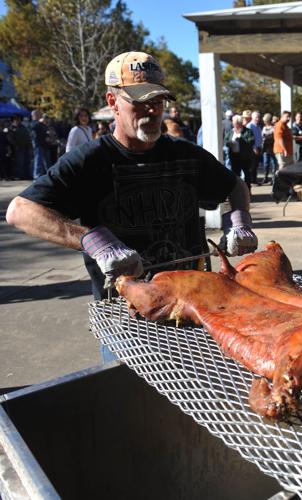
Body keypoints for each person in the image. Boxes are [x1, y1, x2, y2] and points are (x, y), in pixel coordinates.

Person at [5, 50, 258, 360]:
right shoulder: (90, 161)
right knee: (130, 404)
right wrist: (93, 242)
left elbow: (236, 186)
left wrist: (240, 220)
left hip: (193, 308)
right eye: (140, 101)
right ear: (113, 103)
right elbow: (20, 211)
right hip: (125, 320)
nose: (152, 111)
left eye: (159, 102)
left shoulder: (186, 155)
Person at [226, 114, 256, 190]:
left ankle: (247, 190)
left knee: (246, 174)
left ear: (239, 123)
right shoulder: (231, 131)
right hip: (233, 156)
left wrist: (241, 141)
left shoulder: (248, 131)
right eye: (233, 122)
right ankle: (237, 191)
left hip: (244, 157)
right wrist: (229, 143)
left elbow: (252, 141)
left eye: (234, 122)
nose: (233, 123)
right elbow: (226, 140)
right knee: (235, 175)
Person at [7, 115, 32, 180]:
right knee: (19, 163)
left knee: (27, 162)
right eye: (16, 119)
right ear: (13, 120)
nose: (18, 121)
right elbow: (10, 138)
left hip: (26, 147)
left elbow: (28, 136)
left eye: (19, 119)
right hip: (18, 148)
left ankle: (27, 175)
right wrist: (15, 145)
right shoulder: (11, 128)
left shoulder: (23, 127)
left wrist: (29, 144)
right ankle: (20, 176)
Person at [30, 109, 50, 179]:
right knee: (38, 161)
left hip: (44, 144)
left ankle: (49, 175)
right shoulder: (33, 123)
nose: (39, 116)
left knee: (47, 161)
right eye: (37, 115)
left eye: (39, 114)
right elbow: (34, 127)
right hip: (38, 145)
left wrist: (47, 136)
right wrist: (39, 122)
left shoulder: (42, 124)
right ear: (33, 116)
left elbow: (46, 131)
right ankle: (36, 177)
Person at [246, 111, 263, 184]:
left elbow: (260, 137)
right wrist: (254, 147)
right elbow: (249, 139)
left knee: (256, 165)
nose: (258, 118)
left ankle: (254, 179)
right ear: (252, 117)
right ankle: (251, 181)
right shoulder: (250, 126)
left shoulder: (258, 126)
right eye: (256, 117)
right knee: (252, 165)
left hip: (259, 147)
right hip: (253, 148)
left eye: (259, 117)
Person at [260, 112, 277, 184]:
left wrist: (267, 137)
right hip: (265, 148)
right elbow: (262, 137)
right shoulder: (263, 128)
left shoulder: (274, 128)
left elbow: (274, 137)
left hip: (272, 147)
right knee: (266, 163)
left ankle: (274, 178)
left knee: (274, 163)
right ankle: (265, 177)